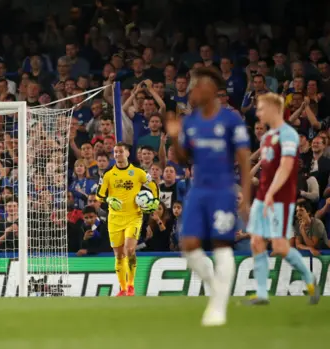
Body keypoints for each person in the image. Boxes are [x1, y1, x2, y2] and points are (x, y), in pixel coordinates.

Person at [166, 67, 252, 326]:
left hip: (223, 191)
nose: (192, 91)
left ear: (212, 90)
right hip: (197, 190)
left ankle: (218, 307)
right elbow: (183, 158)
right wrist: (173, 136)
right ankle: (217, 288)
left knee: (221, 245)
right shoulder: (190, 121)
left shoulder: (230, 120)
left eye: (196, 86)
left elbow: (244, 160)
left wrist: (246, 196)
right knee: (189, 246)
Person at [245, 93, 320, 305]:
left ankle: (309, 278)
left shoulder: (288, 135)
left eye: (261, 109)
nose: (258, 113)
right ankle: (261, 294)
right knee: (256, 241)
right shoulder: (267, 137)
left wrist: (271, 193)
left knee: (279, 246)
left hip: (280, 198)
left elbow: (286, 167)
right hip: (263, 197)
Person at [96, 142, 159, 296]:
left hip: (134, 217)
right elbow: (99, 195)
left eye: (120, 151)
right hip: (114, 219)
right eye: (115, 152)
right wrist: (109, 200)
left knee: (129, 249)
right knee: (118, 255)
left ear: (128, 153)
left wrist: (155, 201)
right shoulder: (108, 175)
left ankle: (131, 286)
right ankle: (122, 288)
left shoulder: (138, 172)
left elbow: (153, 186)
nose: (117, 154)